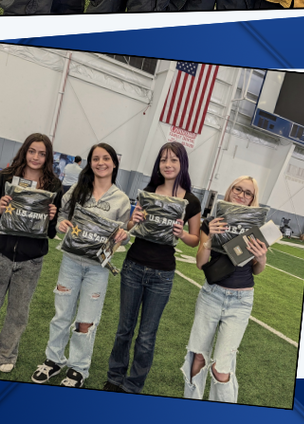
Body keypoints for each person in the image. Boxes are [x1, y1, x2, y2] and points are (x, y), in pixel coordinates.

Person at [32, 144, 132, 388]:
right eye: (95, 159)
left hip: (98, 269)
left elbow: (125, 233)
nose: (100, 163)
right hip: (71, 263)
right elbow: (61, 215)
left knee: (86, 321)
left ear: (114, 163)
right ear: (90, 163)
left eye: (105, 158)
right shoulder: (78, 190)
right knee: (61, 315)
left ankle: (78, 368)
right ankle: (54, 360)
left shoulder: (121, 199)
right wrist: (62, 224)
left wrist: (123, 236)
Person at [105, 142, 202, 394]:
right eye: (163, 160)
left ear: (183, 164)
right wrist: (132, 220)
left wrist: (181, 234)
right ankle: (114, 377)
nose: (167, 165)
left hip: (162, 274)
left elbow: (195, 240)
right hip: (134, 267)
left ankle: (133, 385)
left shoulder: (191, 200)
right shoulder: (148, 191)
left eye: (173, 160)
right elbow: (129, 228)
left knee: (147, 336)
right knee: (124, 329)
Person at [0, 133, 61, 373]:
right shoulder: (5, 177)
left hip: (30, 261)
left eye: (42, 153)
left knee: (18, 313)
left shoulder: (54, 186)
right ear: (24, 151)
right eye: (32, 151)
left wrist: (52, 218)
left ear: (48, 157)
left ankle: (6, 355)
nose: (36, 157)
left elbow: (50, 233)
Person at [182, 176, 268, 402]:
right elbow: (201, 263)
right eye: (238, 189)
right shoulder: (211, 221)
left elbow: (256, 271)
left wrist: (262, 258)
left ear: (252, 199)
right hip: (211, 295)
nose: (241, 194)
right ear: (229, 191)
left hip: (241, 300)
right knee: (198, 358)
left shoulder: (256, 226)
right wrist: (209, 238)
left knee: (221, 368)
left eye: (248, 193)